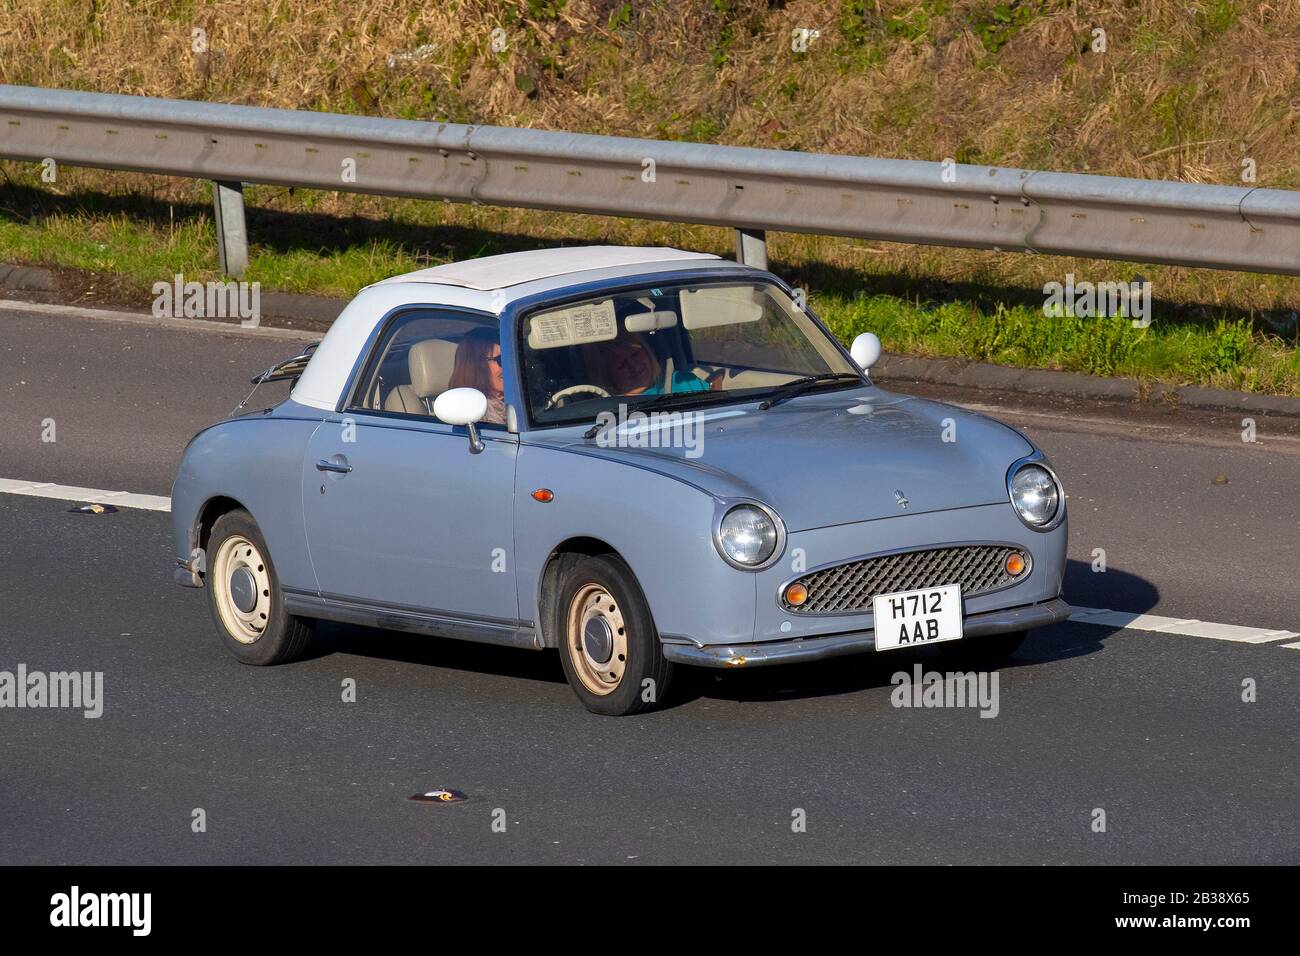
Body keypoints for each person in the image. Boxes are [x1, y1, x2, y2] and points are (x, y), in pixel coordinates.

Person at [596, 330, 712, 396]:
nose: (634, 366)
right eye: (622, 365)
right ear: (608, 375)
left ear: (647, 352)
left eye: (635, 354)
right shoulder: (603, 410)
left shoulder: (685, 381)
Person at [447, 327, 507, 425]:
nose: (508, 366)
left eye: (510, 358)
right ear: (477, 366)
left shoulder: (515, 402)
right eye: (500, 360)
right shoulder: (473, 417)